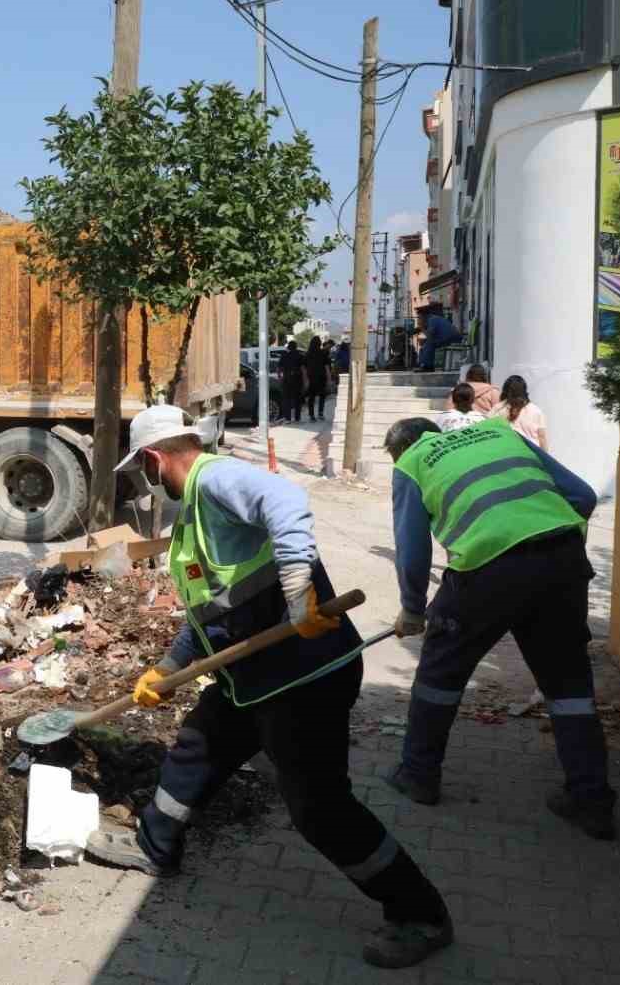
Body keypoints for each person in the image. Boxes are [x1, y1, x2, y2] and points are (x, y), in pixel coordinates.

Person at [85, 405, 454, 970]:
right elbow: (209, 612)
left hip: (303, 678)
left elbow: (286, 502)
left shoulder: (216, 480)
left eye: (143, 470)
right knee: (198, 743)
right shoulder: (196, 522)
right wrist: (166, 668)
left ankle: (420, 914)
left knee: (319, 810)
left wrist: (297, 589)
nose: (146, 481)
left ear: (156, 458)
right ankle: (155, 847)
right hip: (252, 680)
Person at [380, 416, 615, 839]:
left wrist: (413, 609)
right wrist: (543, 541)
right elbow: (580, 494)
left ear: (402, 448)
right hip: (563, 559)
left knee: (440, 674)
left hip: (487, 572)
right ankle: (591, 800)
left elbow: (412, 547)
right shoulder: (500, 431)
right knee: (568, 684)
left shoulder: (411, 461)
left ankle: (417, 774)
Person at [492, 374, 548, 448]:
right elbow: (542, 438)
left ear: (506, 390)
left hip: (507, 453)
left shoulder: (498, 408)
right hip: (531, 455)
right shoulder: (536, 411)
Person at [415, 306, 462, 371]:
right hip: (451, 337)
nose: (419, 319)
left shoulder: (432, 320)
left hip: (453, 338)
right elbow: (431, 336)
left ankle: (427, 366)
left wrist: (422, 327)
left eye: (419, 317)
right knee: (427, 344)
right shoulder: (433, 318)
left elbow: (430, 336)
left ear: (424, 316)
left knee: (429, 344)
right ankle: (424, 364)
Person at [304, 336, 333, 422]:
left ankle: (311, 415)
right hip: (321, 377)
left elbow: (304, 368)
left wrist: (306, 380)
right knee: (322, 396)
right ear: (319, 343)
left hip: (311, 377)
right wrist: (329, 380)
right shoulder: (323, 353)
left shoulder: (307, 354)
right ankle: (320, 413)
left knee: (311, 397)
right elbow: (327, 368)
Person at [279, 339, 306, 422]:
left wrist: (280, 378)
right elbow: (303, 369)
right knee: (297, 399)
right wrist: (305, 380)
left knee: (286, 399)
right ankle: (297, 418)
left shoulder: (284, 356)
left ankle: (288, 418)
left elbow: (279, 369)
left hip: (286, 379)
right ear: (296, 347)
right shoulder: (300, 355)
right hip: (297, 379)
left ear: (288, 347)